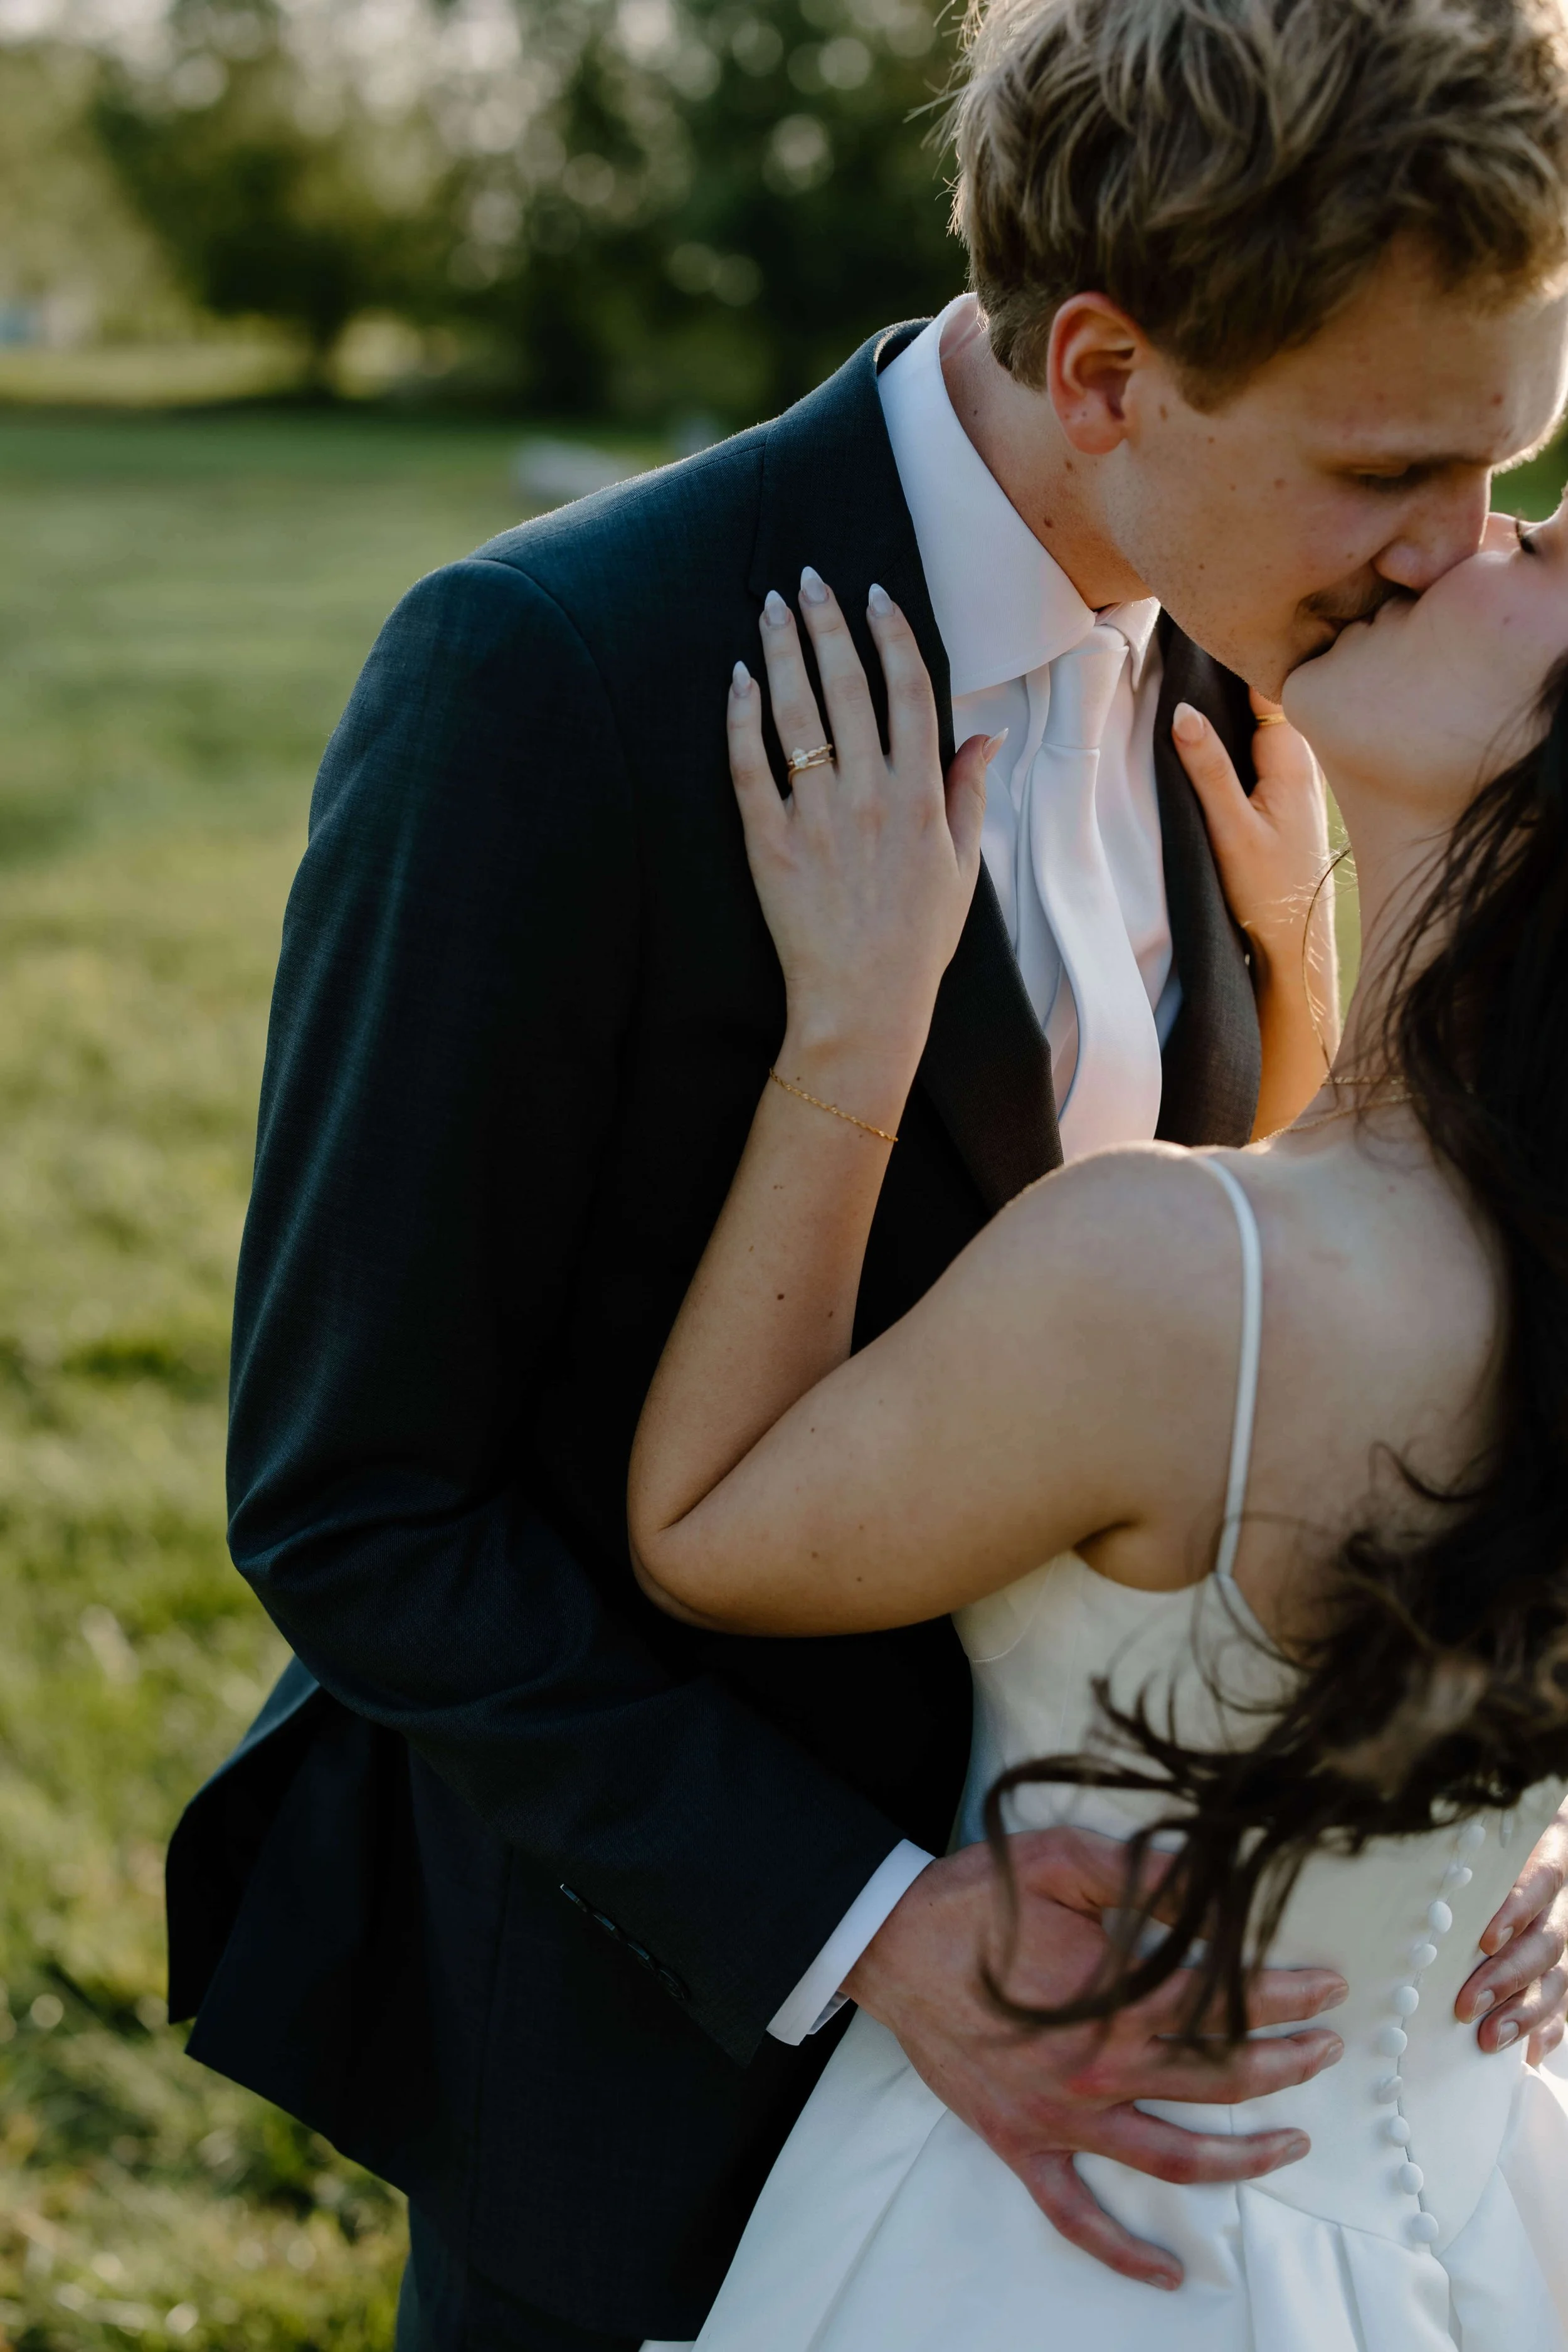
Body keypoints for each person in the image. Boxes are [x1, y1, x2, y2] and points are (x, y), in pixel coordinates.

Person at [162, 0, 1568, 2342]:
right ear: (1109, 371)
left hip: (1202, 2132)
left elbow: (1285, 1324)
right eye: (1386, 472)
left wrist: (1450, 1798)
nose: (1456, 549)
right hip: (668, 2054)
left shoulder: (1292, 662)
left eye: (1505, 457)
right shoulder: (557, 682)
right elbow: (355, 1501)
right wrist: (866, 1924)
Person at [625, 505, 1568, 2344]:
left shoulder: (1164, 1272)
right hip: (1476, 2208)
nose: (1467, 528)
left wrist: (855, 1025)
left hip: (1081, 2234)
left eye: (1539, 554)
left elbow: (710, 1529)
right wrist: (1308, 964)